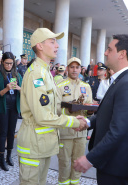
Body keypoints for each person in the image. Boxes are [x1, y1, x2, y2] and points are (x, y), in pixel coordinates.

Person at [17, 28, 87, 185]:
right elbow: (42, 116)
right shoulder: (36, 74)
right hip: (33, 145)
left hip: (43, 145)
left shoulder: (46, 72)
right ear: (40, 46)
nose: (57, 45)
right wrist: (74, 122)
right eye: (52, 41)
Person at [74, 34, 128, 185]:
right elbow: (108, 113)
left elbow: (119, 130)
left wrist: (90, 158)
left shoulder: (125, 83)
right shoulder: (119, 79)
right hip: (109, 164)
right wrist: (88, 122)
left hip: (115, 167)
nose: (105, 53)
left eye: (109, 49)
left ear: (122, 54)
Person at [57, 57, 93, 185]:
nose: (74, 70)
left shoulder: (86, 86)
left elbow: (89, 106)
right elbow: (55, 110)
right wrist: (68, 111)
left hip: (81, 132)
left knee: (77, 163)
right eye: (71, 67)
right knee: (64, 163)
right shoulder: (60, 86)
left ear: (80, 69)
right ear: (67, 69)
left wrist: (90, 111)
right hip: (65, 132)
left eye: (77, 67)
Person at [0, 52, 22, 171]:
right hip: (3, 108)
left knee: (11, 133)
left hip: (14, 107)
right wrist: (6, 89)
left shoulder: (17, 75)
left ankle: (9, 156)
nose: (9, 66)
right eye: (6, 63)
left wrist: (19, 88)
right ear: (2, 63)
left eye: (11, 63)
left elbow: (24, 90)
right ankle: (1, 159)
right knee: (3, 133)